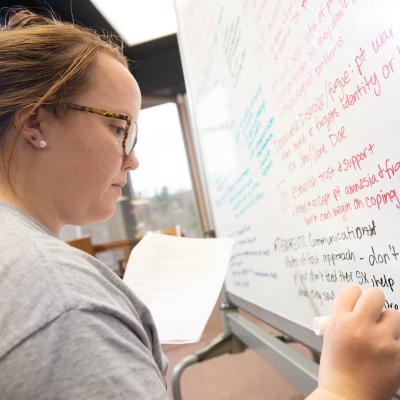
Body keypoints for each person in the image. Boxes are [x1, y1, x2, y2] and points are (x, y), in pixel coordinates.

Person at [0, 9, 399, 400]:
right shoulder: (63, 300)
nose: (132, 158)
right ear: (35, 123)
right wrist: (347, 388)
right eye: (119, 128)